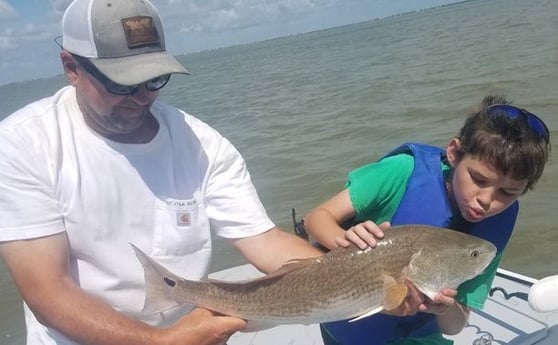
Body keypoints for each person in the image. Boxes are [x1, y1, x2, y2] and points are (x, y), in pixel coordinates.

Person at [0, 1, 322, 344]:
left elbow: (264, 240)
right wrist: (160, 342)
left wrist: (370, 277)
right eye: (123, 84)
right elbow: (48, 292)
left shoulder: (202, 143)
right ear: (72, 67)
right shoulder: (22, 145)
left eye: (155, 79)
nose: (142, 97)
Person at [302, 94, 551, 345]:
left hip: (417, 335)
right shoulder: (401, 171)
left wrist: (444, 308)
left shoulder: (491, 232)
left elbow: (455, 326)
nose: (487, 200)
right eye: (478, 179)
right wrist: (343, 238)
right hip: (350, 325)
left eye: (507, 192)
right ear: (454, 152)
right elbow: (316, 218)